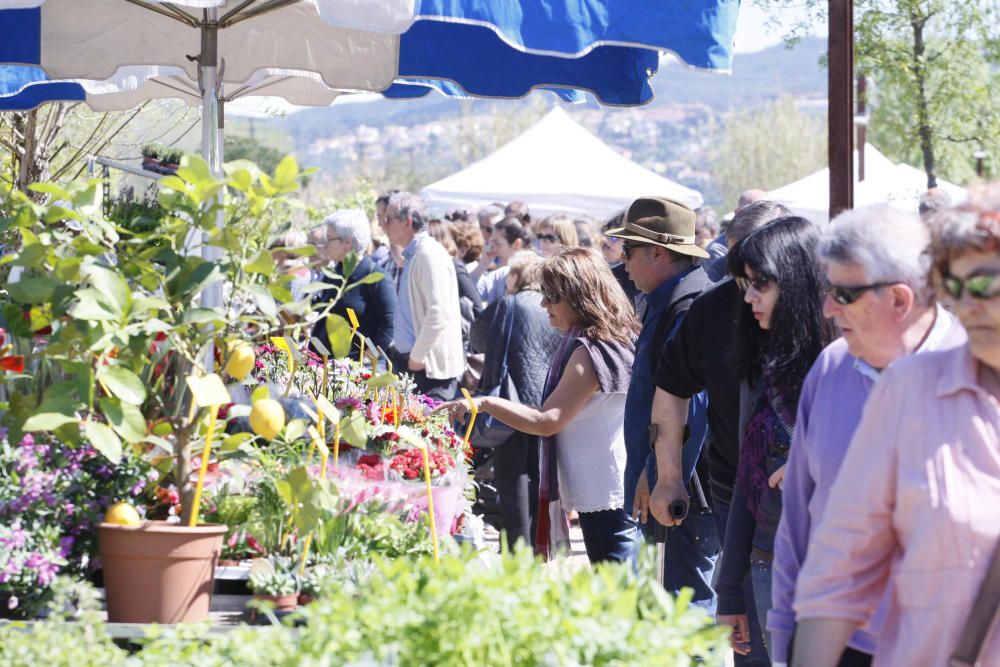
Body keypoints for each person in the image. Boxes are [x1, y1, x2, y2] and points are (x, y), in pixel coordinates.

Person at [792, 185, 1000, 667]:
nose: (968, 303)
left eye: (985, 284)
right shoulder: (909, 390)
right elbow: (839, 569)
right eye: (954, 284)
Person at [645, 201, 791, 667]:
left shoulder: (824, 311)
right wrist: (669, 476)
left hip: (812, 498)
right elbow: (670, 390)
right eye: (737, 268)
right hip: (737, 492)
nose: (745, 287)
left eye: (759, 273)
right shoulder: (712, 309)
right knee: (747, 624)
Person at [440, 247, 640, 564]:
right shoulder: (611, 336)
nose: (543, 302)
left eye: (551, 294)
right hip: (607, 484)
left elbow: (547, 420)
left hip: (605, 489)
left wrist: (487, 403)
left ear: (579, 296)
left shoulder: (590, 349)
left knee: (619, 587)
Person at [715, 217, 837, 660]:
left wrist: (812, 464)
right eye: (745, 284)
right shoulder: (762, 365)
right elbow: (746, 484)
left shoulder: (852, 360)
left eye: (759, 285)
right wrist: (729, 592)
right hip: (767, 564)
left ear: (797, 281)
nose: (747, 297)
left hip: (836, 569)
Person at [603, 196, 715, 606]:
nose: (623, 262)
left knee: (685, 610)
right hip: (670, 485)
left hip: (681, 489)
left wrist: (661, 474)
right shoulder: (670, 299)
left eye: (628, 250)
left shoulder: (687, 306)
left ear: (657, 252)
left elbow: (693, 407)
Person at [469, 251, 561, 548]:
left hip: (512, 406)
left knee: (515, 485)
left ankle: (519, 553)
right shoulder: (557, 308)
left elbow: (478, 340)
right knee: (544, 481)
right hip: (552, 405)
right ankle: (544, 546)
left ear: (515, 276)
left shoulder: (506, 305)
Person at [382, 192, 464, 401]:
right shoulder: (417, 253)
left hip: (426, 369)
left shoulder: (428, 254)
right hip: (416, 364)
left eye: (388, 219)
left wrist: (417, 356)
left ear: (408, 222)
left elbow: (438, 312)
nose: (383, 224)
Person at [310, 209, 396, 356]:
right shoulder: (334, 273)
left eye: (329, 239)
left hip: (353, 371)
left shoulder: (376, 277)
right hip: (323, 366)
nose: (325, 245)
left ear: (348, 242)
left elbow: (389, 327)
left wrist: (367, 360)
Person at [472, 218, 532, 306]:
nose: (493, 249)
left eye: (497, 243)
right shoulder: (499, 274)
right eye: (492, 243)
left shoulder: (541, 271)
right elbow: (469, 293)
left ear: (516, 244)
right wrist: (483, 264)